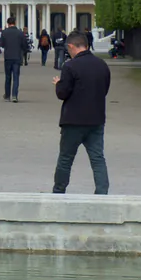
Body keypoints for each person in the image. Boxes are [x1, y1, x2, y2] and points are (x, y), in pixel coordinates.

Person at [52, 29, 111, 194]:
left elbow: (62, 94)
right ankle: (102, 192)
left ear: (71, 46)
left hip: (73, 120)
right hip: (96, 119)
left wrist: (58, 84)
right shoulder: (102, 65)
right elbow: (104, 90)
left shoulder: (70, 66)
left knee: (65, 158)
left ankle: (59, 191)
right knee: (98, 158)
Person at [0, 17, 25, 102]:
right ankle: (14, 95)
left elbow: (2, 44)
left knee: (8, 77)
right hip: (17, 57)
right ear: (15, 22)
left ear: (8, 23)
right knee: (16, 77)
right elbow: (24, 45)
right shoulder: (20, 33)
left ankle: (7, 95)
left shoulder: (4, 32)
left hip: (8, 57)